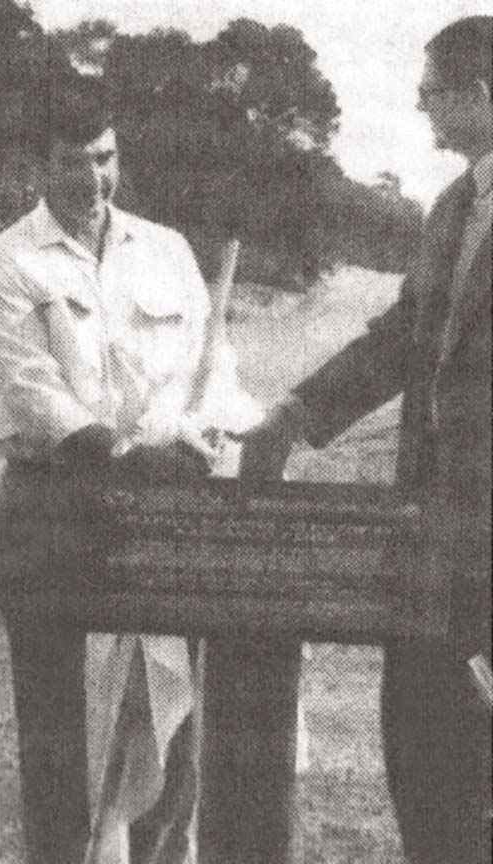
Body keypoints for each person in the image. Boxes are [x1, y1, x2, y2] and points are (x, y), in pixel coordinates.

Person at [241, 15, 492, 864]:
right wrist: (298, 415)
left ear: (480, 95)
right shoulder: (454, 206)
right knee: (422, 766)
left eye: (432, 92)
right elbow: (401, 337)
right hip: (426, 549)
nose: (421, 109)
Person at [0, 74, 225, 864]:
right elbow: (34, 395)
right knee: (62, 748)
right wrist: (125, 455)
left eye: (106, 157)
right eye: (72, 161)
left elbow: (212, 372)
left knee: (169, 733)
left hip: (165, 522)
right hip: (58, 520)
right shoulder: (8, 261)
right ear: (36, 164)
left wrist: (199, 437)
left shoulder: (168, 250)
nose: (93, 179)